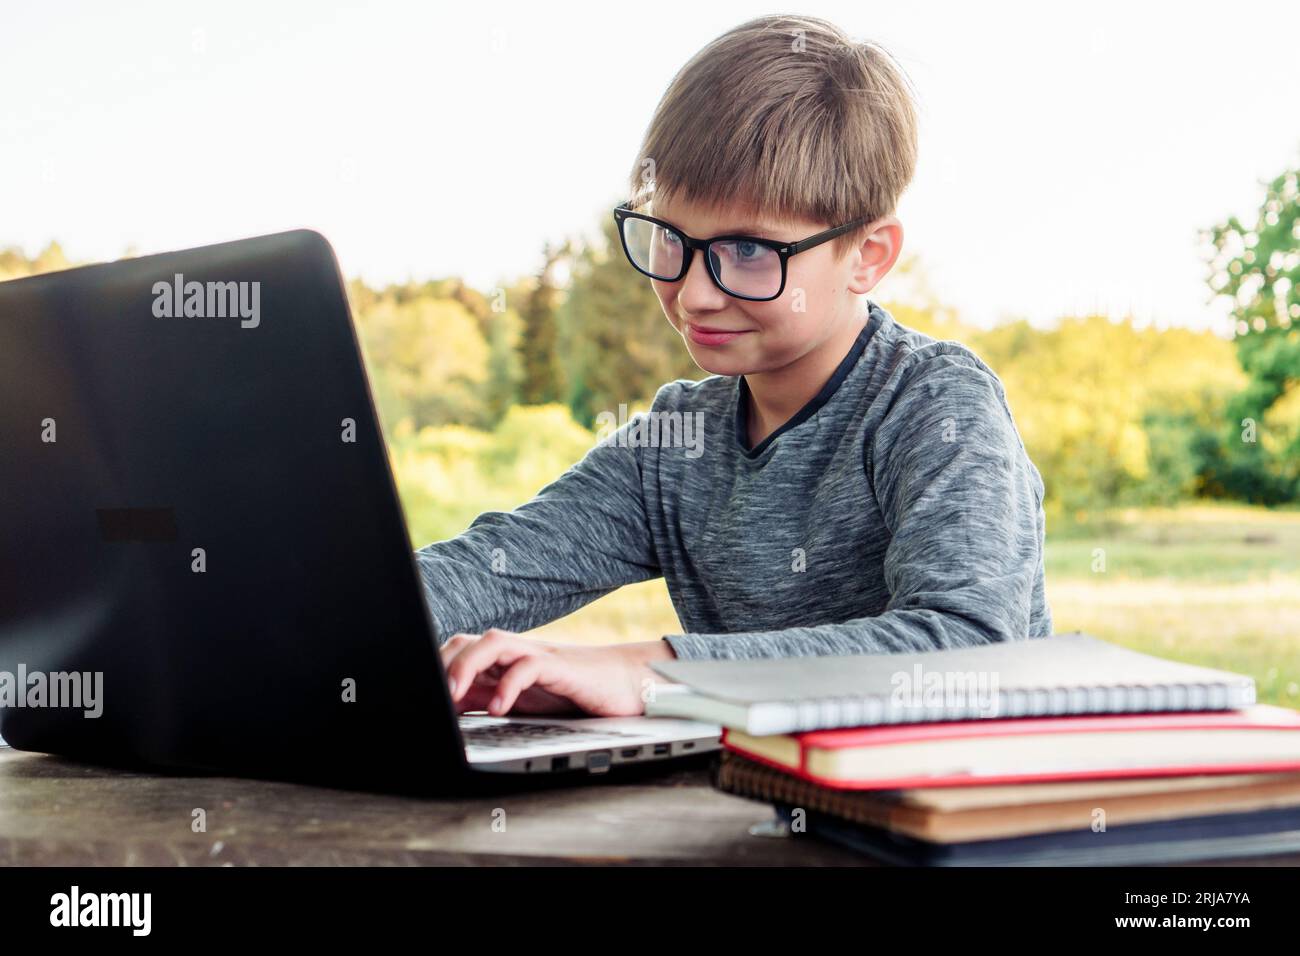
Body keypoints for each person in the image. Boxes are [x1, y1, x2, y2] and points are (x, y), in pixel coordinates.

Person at [418, 14, 1052, 719]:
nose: (693, 294)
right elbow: (489, 566)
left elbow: (966, 650)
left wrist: (647, 674)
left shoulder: (937, 405)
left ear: (867, 255)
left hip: (959, 814)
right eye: (669, 239)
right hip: (755, 813)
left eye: (749, 252)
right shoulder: (678, 443)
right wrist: (331, 609)